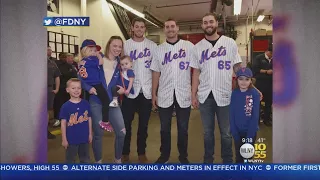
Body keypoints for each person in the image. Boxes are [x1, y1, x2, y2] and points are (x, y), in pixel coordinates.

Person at [190, 12, 242, 164]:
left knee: (226, 133)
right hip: (205, 95)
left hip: (225, 93)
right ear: (202, 26)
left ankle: (227, 162)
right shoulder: (197, 48)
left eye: (211, 22)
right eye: (205, 22)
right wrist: (193, 95)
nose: (208, 25)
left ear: (216, 23)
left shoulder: (230, 43)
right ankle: (208, 161)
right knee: (207, 133)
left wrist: (248, 86)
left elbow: (238, 67)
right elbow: (195, 73)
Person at [151, 18, 194, 164]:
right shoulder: (159, 49)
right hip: (165, 92)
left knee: (183, 129)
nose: (170, 29)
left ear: (177, 28)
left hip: (183, 92)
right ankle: (164, 156)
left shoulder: (189, 46)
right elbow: (155, 73)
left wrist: (195, 92)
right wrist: (153, 94)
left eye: (172, 26)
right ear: (164, 30)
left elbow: (198, 69)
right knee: (164, 129)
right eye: (167, 27)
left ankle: (183, 157)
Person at [79, 36, 126, 164]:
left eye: (120, 46)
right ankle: (98, 162)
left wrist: (124, 88)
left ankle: (117, 159)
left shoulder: (120, 63)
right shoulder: (97, 59)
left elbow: (125, 78)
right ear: (108, 45)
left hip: (113, 102)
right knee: (98, 133)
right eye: (114, 45)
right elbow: (81, 76)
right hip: (97, 101)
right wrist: (88, 88)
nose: (117, 49)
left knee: (122, 133)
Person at [122, 17, 157, 163]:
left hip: (146, 91)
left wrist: (155, 92)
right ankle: (125, 153)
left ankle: (141, 152)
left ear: (145, 29)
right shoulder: (126, 45)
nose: (139, 29)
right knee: (126, 125)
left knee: (143, 126)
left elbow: (156, 69)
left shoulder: (152, 45)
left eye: (142, 27)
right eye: (137, 26)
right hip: (130, 91)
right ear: (132, 28)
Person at [78, 39, 112, 131]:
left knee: (86, 104)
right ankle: (105, 121)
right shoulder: (92, 59)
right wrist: (99, 55)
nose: (94, 52)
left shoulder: (82, 61)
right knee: (106, 101)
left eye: (94, 50)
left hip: (87, 84)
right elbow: (101, 62)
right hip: (95, 84)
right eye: (91, 50)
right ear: (85, 51)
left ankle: (84, 122)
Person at [230, 67, 260, 163]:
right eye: (241, 79)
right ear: (237, 80)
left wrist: (249, 136)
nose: (243, 82)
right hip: (237, 132)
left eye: (247, 79)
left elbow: (255, 116)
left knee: (247, 157)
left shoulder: (254, 94)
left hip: (250, 132)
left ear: (251, 80)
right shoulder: (234, 93)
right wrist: (234, 132)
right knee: (238, 157)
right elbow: (232, 114)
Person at [60, 78, 92, 163]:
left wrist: (90, 134)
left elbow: (89, 119)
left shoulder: (86, 104)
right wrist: (64, 139)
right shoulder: (65, 106)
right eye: (73, 88)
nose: (76, 90)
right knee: (70, 161)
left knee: (85, 160)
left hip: (84, 139)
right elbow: (63, 123)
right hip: (71, 140)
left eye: (78, 88)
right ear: (67, 90)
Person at [53, 53, 78, 126]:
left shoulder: (73, 66)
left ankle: (69, 118)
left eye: (72, 58)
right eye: (70, 58)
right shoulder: (58, 65)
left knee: (70, 104)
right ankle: (58, 118)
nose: (71, 59)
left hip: (70, 89)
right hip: (61, 88)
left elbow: (75, 76)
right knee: (59, 104)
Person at [252, 47, 273, 126]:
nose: (272, 55)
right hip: (260, 84)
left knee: (268, 103)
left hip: (270, 84)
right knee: (257, 103)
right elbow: (255, 70)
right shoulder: (259, 58)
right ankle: (256, 121)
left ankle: (267, 120)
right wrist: (266, 71)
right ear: (267, 51)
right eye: (271, 53)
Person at [47, 56, 61, 139]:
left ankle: (45, 131)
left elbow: (57, 76)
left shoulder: (52, 63)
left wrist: (57, 89)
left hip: (49, 89)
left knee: (46, 111)